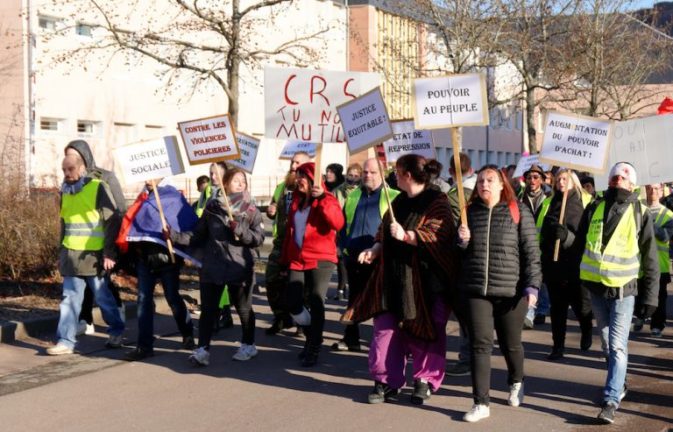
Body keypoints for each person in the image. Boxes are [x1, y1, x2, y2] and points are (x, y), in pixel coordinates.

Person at [348, 154, 457, 406]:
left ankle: (424, 379)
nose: (393, 176)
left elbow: (439, 233)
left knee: (424, 332)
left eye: (397, 172)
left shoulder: (436, 201)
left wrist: (409, 236)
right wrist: (374, 250)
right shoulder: (397, 201)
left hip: (426, 282)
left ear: (407, 175)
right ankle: (385, 380)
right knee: (384, 331)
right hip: (392, 278)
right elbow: (384, 230)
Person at [567, 162, 658, 424]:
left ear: (633, 184)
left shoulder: (640, 211)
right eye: (615, 175)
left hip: (623, 291)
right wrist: (565, 238)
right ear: (608, 180)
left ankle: (611, 399)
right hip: (596, 289)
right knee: (607, 344)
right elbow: (582, 242)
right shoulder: (594, 206)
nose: (618, 178)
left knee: (618, 346)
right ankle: (619, 382)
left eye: (625, 175)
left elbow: (650, 256)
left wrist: (650, 298)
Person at [457, 164, 541, 423]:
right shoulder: (468, 212)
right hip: (477, 290)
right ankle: (481, 403)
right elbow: (457, 254)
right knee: (480, 345)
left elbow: (531, 252)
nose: (484, 184)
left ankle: (516, 380)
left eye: (490, 180)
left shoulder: (518, 211)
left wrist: (532, 286)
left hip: (510, 291)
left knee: (510, 343)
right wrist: (461, 241)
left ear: (502, 183)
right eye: (481, 180)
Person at [169, 168, 265, 365]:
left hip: (238, 266)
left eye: (243, 181)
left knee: (243, 308)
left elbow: (258, 239)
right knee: (209, 311)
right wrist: (174, 236)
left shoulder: (251, 209)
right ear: (226, 183)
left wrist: (240, 230)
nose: (241, 183)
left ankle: (248, 344)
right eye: (236, 180)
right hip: (213, 266)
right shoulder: (213, 207)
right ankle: (202, 350)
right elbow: (198, 235)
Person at [46, 155, 125, 355]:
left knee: (103, 297)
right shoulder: (65, 192)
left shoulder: (97, 187)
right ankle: (66, 341)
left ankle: (116, 331)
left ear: (82, 168)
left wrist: (109, 253)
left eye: (70, 169)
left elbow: (112, 220)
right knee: (69, 299)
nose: (67, 174)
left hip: (94, 257)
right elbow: (65, 224)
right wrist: (60, 252)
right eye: (64, 170)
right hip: (71, 256)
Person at [118, 180, 198, 361]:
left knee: (172, 297)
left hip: (168, 259)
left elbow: (185, 224)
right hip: (145, 259)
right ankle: (144, 346)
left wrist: (172, 236)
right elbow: (132, 224)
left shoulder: (173, 196)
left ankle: (187, 334)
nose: (148, 179)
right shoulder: (142, 198)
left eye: (152, 176)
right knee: (143, 300)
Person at [331, 158, 399, 352]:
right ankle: (351, 338)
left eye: (373, 172)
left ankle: (385, 343)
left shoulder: (393, 196)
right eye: (366, 172)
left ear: (382, 174)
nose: (368, 176)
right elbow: (344, 224)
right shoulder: (353, 196)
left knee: (382, 303)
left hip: (381, 258)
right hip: (354, 256)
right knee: (354, 299)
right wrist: (344, 246)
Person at [281, 162, 345, 367]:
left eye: (303, 176)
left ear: (313, 180)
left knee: (316, 302)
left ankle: (314, 346)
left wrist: (322, 198)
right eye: (298, 175)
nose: (298, 179)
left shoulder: (328, 199)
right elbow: (290, 234)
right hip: (297, 259)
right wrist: (285, 260)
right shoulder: (296, 201)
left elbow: (337, 223)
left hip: (321, 258)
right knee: (293, 301)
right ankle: (313, 337)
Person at [64, 140, 125, 337]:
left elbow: (118, 211)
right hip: (75, 251)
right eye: (68, 154)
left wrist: (111, 249)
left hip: (101, 246)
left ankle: (116, 321)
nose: (71, 159)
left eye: (75, 155)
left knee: (102, 290)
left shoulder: (104, 178)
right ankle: (83, 322)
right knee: (76, 292)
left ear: (85, 156)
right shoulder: (68, 183)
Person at [538, 169, 593, 360]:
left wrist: (567, 237)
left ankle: (586, 330)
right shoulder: (549, 202)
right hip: (554, 266)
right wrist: (549, 233)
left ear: (573, 181)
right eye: (558, 179)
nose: (561, 182)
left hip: (575, 266)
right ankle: (558, 347)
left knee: (581, 306)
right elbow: (542, 232)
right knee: (558, 309)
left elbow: (585, 237)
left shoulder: (583, 202)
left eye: (565, 179)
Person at [265, 151, 311, 335]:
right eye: (292, 162)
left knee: (300, 286)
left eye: (298, 163)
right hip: (281, 242)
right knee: (272, 279)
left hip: (301, 245)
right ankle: (281, 317)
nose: (293, 166)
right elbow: (273, 208)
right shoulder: (281, 187)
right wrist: (271, 210)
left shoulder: (311, 189)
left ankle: (302, 321)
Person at [446, 152, 477, 377]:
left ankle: (468, 359)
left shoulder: (455, 196)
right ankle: (472, 356)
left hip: (461, 258)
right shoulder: (478, 192)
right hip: (475, 259)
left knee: (466, 314)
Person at [633, 183, 673, 337]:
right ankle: (641, 316)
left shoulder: (668, 214)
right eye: (650, 188)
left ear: (662, 191)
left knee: (659, 298)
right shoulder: (638, 211)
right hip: (640, 263)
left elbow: (664, 236)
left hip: (659, 265)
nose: (653, 191)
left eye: (656, 189)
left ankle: (657, 326)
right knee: (639, 293)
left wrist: (648, 223)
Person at [520, 164, 551, 328]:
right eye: (529, 177)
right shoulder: (520, 197)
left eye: (535, 177)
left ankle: (542, 309)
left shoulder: (548, 198)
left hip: (543, 245)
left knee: (543, 279)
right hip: (525, 243)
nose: (532, 180)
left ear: (542, 180)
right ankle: (529, 313)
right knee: (529, 277)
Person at [332, 163, 363, 301]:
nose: (353, 178)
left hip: (358, 233)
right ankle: (341, 288)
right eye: (350, 175)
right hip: (341, 232)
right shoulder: (338, 191)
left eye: (356, 176)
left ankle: (356, 292)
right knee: (342, 263)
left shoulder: (364, 191)